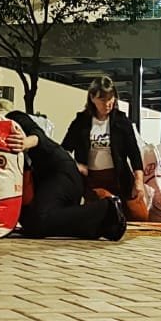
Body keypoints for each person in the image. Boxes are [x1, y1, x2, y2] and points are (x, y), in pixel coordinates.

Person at [5, 110, 126, 240]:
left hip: (60, 172)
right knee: (30, 224)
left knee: (38, 221)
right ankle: (104, 226)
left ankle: (108, 209)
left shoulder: (12, 118)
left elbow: (38, 135)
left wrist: (24, 143)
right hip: (52, 183)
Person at [61, 75, 149, 219]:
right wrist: (76, 166)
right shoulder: (81, 122)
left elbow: (134, 154)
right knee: (111, 208)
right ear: (92, 98)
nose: (107, 103)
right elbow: (64, 150)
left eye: (111, 98)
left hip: (120, 178)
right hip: (93, 180)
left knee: (140, 216)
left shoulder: (122, 121)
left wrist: (138, 182)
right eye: (102, 99)